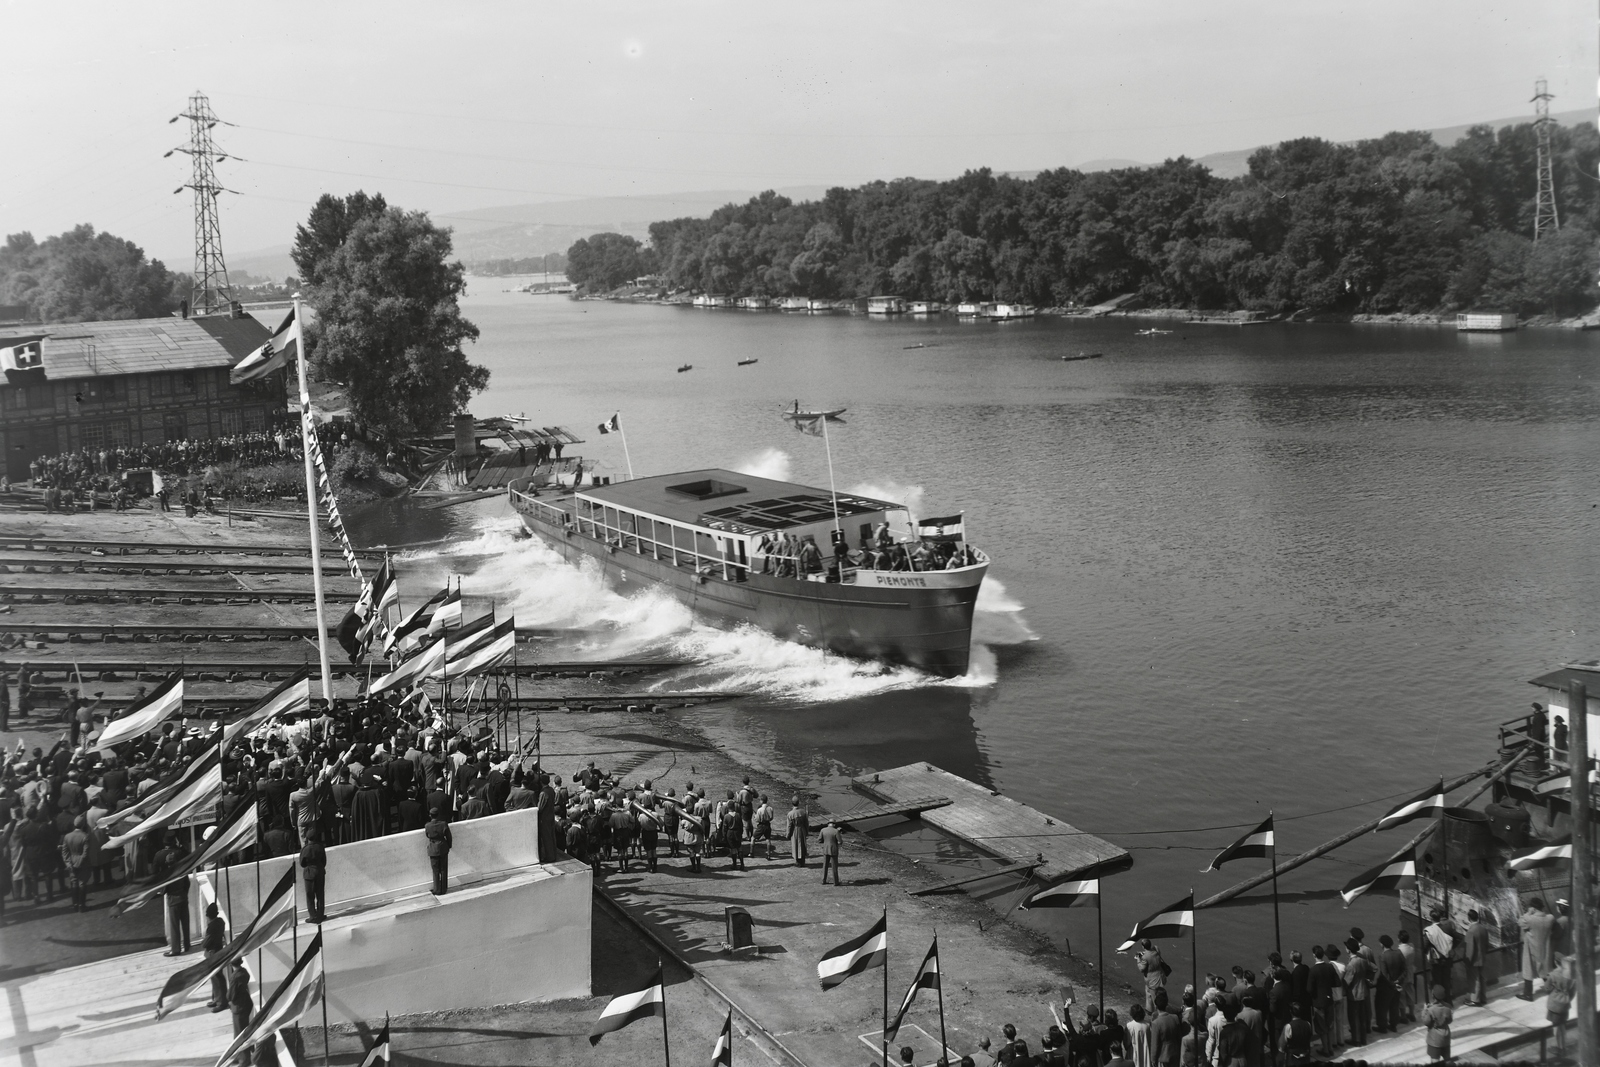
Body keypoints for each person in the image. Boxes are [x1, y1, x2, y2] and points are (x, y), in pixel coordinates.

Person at [1519, 896, 1556, 999]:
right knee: (1545, 970)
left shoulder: (1529, 919)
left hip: (1531, 949)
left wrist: (1528, 912)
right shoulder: (1550, 918)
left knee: (1528, 970)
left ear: (1533, 908)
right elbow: (1552, 919)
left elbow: (1520, 921)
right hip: (1544, 949)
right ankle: (1551, 989)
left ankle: (1528, 994)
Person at [1543, 953, 1576, 1058]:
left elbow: (1546, 989)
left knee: (1556, 1027)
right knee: (1562, 1026)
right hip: (1565, 1004)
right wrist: (1566, 999)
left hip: (1554, 1004)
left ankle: (1559, 1049)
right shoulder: (1571, 974)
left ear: (1555, 962)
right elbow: (1573, 991)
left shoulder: (1553, 975)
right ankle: (1563, 1047)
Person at [203, 902, 229, 1012]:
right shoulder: (220, 922)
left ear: (209, 916)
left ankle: (221, 1002)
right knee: (215, 977)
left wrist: (203, 943)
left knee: (217, 978)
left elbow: (206, 943)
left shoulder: (211, 927)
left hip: (213, 953)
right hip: (218, 950)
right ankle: (216, 998)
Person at [1462, 908, 1490, 1006]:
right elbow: (1487, 944)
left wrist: (1467, 961)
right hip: (1482, 957)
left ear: (1469, 918)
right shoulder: (1483, 928)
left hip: (1474, 960)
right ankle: (1483, 998)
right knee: (1482, 978)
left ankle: (1475, 1000)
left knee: (1474, 979)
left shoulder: (1470, 931)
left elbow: (1470, 949)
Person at [300, 828, 326, 923]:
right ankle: (320, 915)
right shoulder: (320, 847)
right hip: (319, 871)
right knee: (320, 894)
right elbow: (324, 861)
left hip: (309, 873)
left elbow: (302, 863)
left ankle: (312, 915)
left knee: (310, 895)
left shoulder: (305, 849)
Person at [1420, 985, 1452, 1062]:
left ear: (1433, 995)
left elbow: (1426, 1022)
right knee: (1447, 1059)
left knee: (1435, 1061)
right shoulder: (1448, 1007)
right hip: (1446, 1038)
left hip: (1434, 1040)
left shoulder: (1430, 1010)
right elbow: (1450, 1020)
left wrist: (1424, 1010)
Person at [425, 807, 452, 895]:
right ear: (438, 815)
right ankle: (443, 888)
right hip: (443, 847)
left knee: (435, 870)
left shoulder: (427, 825)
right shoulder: (444, 824)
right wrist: (449, 845)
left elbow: (427, 835)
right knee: (443, 869)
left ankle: (436, 889)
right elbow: (449, 836)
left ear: (430, 815)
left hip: (433, 849)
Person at [1136, 939, 1168, 1012]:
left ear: (1143, 947)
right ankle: (1149, 1009)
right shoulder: (1156, 950)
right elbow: (1151, 953)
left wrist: (1138, 959)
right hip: (1160, 976)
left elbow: (1142, 968)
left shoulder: (1145, 957)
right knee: (1148, 991)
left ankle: (1157, 1013)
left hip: (1152, 981)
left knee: (1155, 999)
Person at [1124, 1002, 1152, 1067]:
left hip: (1134, 1054)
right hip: (1146, 1054)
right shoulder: (1148, 1024)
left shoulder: (1129, 1026)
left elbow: (1126, 1044)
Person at [787, 795, 809, 866]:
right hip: (802, 829)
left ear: (792, 803)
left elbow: (789, 826)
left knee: (796, 845)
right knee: (802, 845)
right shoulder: (803, 812)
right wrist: (806, 831)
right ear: (798, 803)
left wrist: (788, 834)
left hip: (795, 830)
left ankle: (798, 861)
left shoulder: (790, 814)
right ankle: (802, 861)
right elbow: (806, 823)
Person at [819, 819, 841, 885]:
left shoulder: (823, 830)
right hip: (834, 850)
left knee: (825, 865)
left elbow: (819, 840)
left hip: (825, 849)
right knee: (834, 866)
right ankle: (835, 882)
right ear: (834, 824)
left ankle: (823, 880)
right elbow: (840, 841)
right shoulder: (836, 831)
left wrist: (825, 841)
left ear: (828, 824)